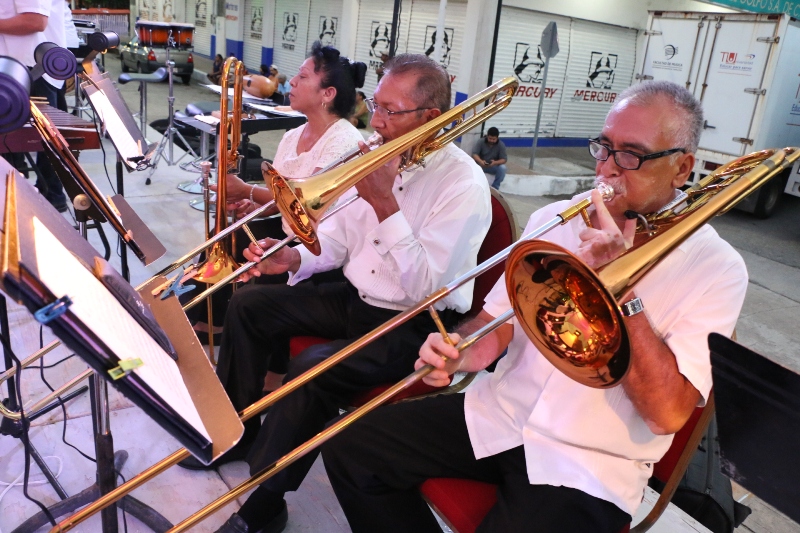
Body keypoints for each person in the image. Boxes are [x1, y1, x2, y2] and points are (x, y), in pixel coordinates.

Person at [321, 81, 750, 533]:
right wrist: (458, 349)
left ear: (682, 169)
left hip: (590, 465)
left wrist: (621, 290)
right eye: (603, 148)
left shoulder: (717, 269)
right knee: (350, 449)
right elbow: (493, 325)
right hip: (498, 415)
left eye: (631, 155)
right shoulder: (555, 220)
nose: (606, 169)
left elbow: (667, 415)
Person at [188, 53, 492, 533]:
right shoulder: (379, 154)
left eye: (392, 111)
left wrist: (386, 204)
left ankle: (268, 501)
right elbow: (341, 238)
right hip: (359, 299)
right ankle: (238, 434)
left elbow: (424, 288)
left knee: (314, 369)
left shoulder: (462, 184)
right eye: (377, 106)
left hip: (415, 325)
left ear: (431, 119)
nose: (377, 121)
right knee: (251, 303)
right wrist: (294, 258)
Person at [185, 41, 366, 367]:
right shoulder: (292, 135)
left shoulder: (344, 142)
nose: (291, 82)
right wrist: (254, 207)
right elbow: (282, 199)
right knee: (228, 232)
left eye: (303, 77)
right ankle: (209, 319)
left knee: (262, 255)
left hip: (322, 245)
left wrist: (248, 192)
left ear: (327, 94)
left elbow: (308, 206)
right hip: (292, 227)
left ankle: (266, 362)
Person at [0, 0, 69, 213]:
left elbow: (35, 21)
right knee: (12, 152)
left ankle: (42, 206)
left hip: (29, 70)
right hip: (18, 68)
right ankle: (21, 203)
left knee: (46, 143)